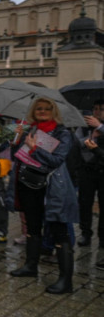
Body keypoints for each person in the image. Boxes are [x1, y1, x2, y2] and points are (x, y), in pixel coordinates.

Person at [9, 97, 79, 294]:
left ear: (54, 111)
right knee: (32, 227)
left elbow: (57, 160)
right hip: (27, 185)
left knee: (59, 231)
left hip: (51, 187)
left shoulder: (62, 133)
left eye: (47, 108)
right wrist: (16, 140)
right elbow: (17, 154)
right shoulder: (30, 129)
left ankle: (66, 280)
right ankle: (31, 266)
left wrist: (34, 148)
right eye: (39, 108)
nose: (43, 111)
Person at [75, 99, 104, 247]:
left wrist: (100, 127)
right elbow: (77, 142)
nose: (97, 112)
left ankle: (102, 237)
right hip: (87, 170)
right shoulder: (85, 126)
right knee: (85, 203)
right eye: (95, 109)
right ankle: (85, 233)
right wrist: (92, 136)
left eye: (101, 109)